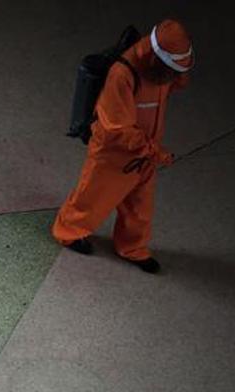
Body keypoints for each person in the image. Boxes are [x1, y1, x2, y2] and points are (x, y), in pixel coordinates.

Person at [52, 19, 193, 273]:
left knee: (140, 206)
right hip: (113, 153)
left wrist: (151, 151)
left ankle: (133, 248)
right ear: (155, 58)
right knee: (93, 197)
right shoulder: (123, 74)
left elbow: (173, 84)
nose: (174, 77)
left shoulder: (159, 72)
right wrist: (155, 152)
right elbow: (118, 128)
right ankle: (68, 231)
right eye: (172, 70)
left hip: (144, 152)